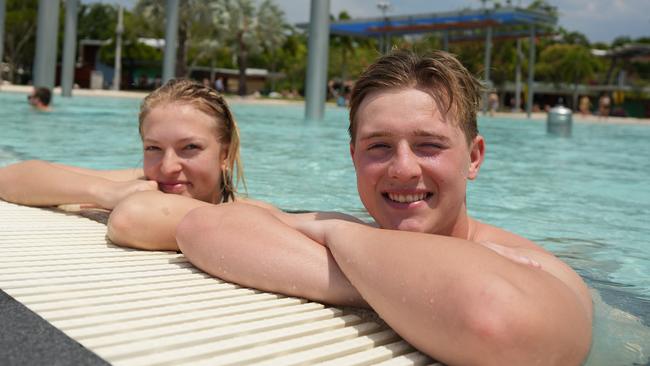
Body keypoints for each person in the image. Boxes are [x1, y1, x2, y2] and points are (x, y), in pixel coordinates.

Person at [175, 50, 593, 365]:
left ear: (475, 157)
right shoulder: (356, 239)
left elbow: (500, 330)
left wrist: (337, 233)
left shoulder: (543, 269)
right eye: (379, 147)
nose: (404, 168)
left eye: (429, 145)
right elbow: (202, 227)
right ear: (354, 157)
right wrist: (372, 267)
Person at [0, 79, 275, 251]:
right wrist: (106, 193)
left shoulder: (248, 213)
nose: (168, 167)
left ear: (225, 155)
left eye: (190, 147)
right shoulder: (141, 182)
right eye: (153, 148)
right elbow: (11, 177)